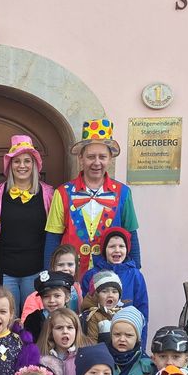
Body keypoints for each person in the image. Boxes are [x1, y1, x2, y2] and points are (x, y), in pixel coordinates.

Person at [44, 119, 141, 278]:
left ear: (110, 159)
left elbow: (131, 234)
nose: (97, 162)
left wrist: (135, 272)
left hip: (110, 278)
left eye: (102, 157)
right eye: (91, 157)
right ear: (80, 159)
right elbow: (53, 238)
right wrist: (49, 275)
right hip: (71, 276)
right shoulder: (62, 193)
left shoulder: (123, 193)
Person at [0, 135, 53, 308]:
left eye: (27, 161)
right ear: (10, 165)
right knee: (6, 320)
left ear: (35, 165)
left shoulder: (48, 194)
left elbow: (53, 234)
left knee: (33, 321)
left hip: (36, 271)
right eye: (16, 161)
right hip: (6, 272)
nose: (22, 166)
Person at [81, 227, 149, 346]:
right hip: (97, 338)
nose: (117, 250)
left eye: (121, 246)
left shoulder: (135, 275)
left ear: (127, 249)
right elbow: (86, 307)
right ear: (104, 250)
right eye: (112, 246)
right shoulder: (91, 275)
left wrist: (140, 346)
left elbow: (142, 313)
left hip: (126, 340)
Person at [37, 307, 91, 375]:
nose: (65, 331)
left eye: (70, 327)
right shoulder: (41, 359)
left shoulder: (86, 356)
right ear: (50, 332)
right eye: (59, 328)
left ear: (76, 331)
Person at [105, 306, 153, 375]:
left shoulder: (146, 366)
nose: (122, 339)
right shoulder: (101, 358)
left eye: (129, 335)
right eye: (117, 334)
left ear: (137, 338)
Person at [20, 270, 76, 341]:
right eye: (46, 296)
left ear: (67, 297)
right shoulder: (33, 320)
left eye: (57, 296)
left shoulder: (73, 318)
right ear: (41, 298)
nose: (51, 300)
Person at [81, 271, 123, 344]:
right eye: (104, 291)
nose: (110, 295)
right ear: (95, 295)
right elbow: (91, 345)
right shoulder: (92, 316)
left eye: (114, 291)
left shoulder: (121, 314)